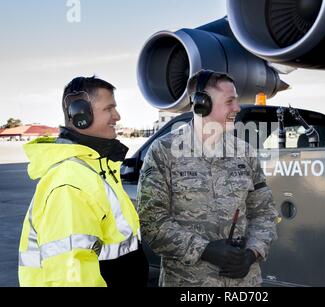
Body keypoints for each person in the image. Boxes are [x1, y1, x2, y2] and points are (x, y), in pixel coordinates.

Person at [137, 70, 278, 287]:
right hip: (188, 283)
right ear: (202, 104)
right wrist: (205, 250)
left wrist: (252, 253)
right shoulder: (164, 151)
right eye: (229, 101)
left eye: (236, 101)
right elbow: (151, 222)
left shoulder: (245, 152)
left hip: (244, 283)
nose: (237, 108)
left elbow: (264, 212)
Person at [18, 76, 149, 287]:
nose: (117, 116)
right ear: (81, 115)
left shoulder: (95, 169)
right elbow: (70, 276)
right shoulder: (71, 183)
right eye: (109, 108)